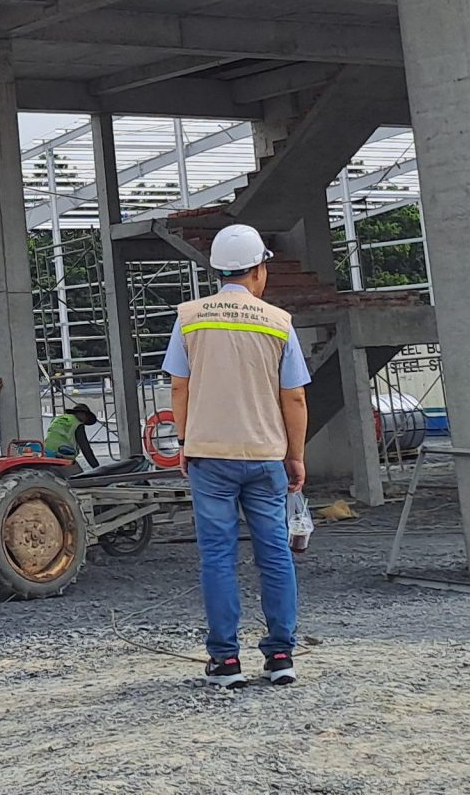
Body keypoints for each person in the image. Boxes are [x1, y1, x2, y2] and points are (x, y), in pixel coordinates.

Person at [164, 223, 309, 689]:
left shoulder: (190, 317)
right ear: (258, 269)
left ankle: (225, 662)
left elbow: (179, 386)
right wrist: (296, 456)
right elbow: (295, 399)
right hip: (265, 454)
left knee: (218, 558)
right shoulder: (278, 321)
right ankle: (281, 655)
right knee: (275, 554)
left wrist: (185, 441)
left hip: (209, 454)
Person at [42, 402, 101, 471]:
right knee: (78, 475)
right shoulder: (77, 424)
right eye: (86, 418)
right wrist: (97, 468)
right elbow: (85, 449)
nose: (84, 421)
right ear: (82, 414)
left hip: (47, 454)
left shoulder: (57, 419)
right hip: (62, 456)